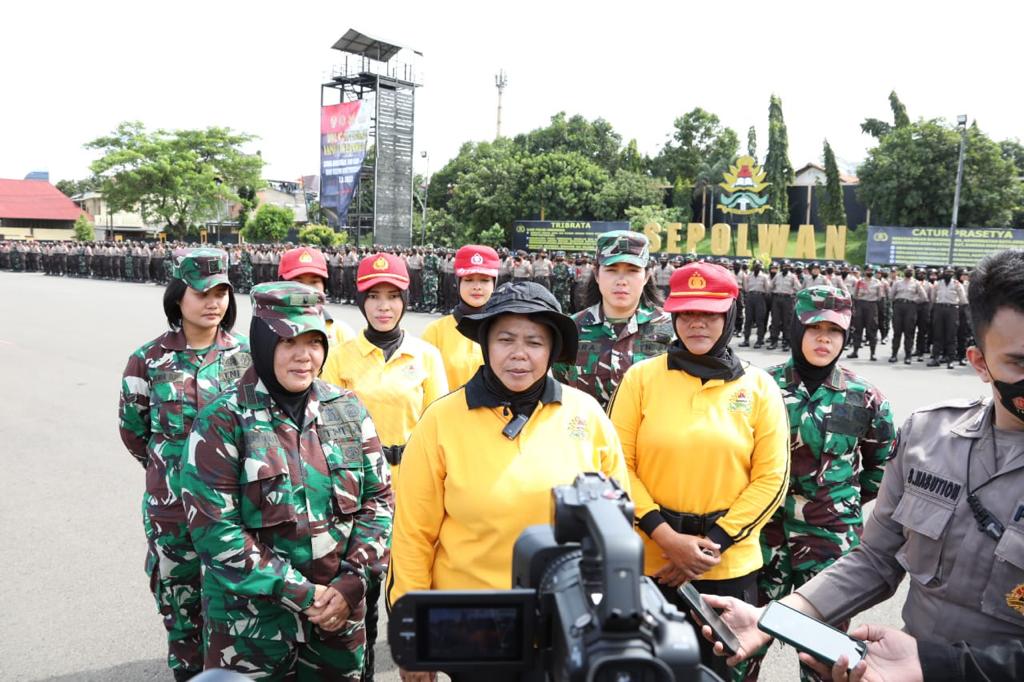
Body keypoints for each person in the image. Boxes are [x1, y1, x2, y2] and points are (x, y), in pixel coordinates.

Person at [700, 248, 1024, 672]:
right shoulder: (929, 438)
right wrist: (769, 620)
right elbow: (875, 559)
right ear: (979, 363)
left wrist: (935, 665)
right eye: (1018, 362)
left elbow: (870, 468)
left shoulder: (865, 396)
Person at [386, 281, 630, 662]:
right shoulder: (441, 421)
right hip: (470, 622)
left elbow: (617, 525)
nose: (520, 354)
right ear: (485, 345)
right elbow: (413, 537)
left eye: (534, 342)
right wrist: (412, 635)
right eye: (506, 340)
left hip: (565, 622)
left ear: (551, 350)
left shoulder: (587, 415)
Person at [180, 282, 393, 679]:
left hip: (338, 626)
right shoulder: (222, 421)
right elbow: (215, 530)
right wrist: (303, 595)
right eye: (287, 341)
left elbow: (378, 501)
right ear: (262, 343)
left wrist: (352, 582)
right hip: (253, 633)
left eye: (314, 341)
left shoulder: (346, 409)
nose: (304, 356)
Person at [607, 261, 789, 678]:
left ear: (730, 316)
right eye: (687, 312)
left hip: (727, 570)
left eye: (710, 313)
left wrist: (710, 547)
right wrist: (667, 538)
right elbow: (616, 465)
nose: (697, 324)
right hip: (649, 563)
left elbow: (771, 480)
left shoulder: (759, 388)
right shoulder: (641, 379)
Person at [739, 286, 896, 681]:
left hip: (830, 551)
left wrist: (834, 506)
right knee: (740, 652)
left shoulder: (865, 398)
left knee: (824, 661)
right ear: (796, 329)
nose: (824, 339)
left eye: (834, 331)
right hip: (762, 542)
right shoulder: (759, 387)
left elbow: (881, 469)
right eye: (814, 328)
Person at [118, 248, 249, 681]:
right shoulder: (148, 360)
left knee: (237, 620)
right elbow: (134, 432)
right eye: (202, 292)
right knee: (183, 619)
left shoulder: (246, 359)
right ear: (179, 297)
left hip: (234, 514)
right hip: (173, 518)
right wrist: (171, 473)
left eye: (222, 292)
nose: (214, 302)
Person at [320, 252, 447, 680]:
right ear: (360, 302)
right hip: (357, 492)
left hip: (414, 488)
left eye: (393, 296)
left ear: (405, 301)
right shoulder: (341, 357)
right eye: (374, 296)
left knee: (412, 586)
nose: (384, 305)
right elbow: (327, 429)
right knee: (362, 593)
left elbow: (439, 427)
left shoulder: (426, 356)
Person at [551, 230, 673, 409]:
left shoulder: (669, 328)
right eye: (611, 270)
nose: (621, 280)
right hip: (589, 434)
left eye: (632, 271)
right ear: (597, 274)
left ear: (646, 276)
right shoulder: (571, 329)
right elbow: (562, 385)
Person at [421, 245, 500, 390]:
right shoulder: (435, 332)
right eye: (469, 280)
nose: (477, 286)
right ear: (458, 283)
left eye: (484, 280)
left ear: (494, 283)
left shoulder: (505, 329)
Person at [278, 245, 356, 348]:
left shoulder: (341, 334)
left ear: (324, 286)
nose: (307, 291)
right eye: (298, 282)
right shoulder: (270, 330)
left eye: (314, 282)